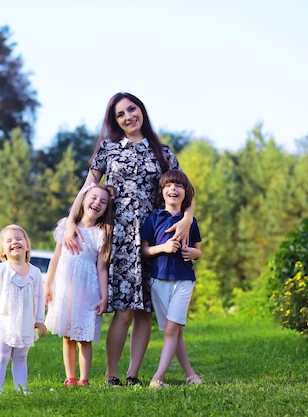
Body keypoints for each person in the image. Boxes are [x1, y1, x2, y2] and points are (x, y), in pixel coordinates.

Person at [63, 92, 195, 387]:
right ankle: (112, 374)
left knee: (144, 310)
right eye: (120, 114)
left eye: (131, 110)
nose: (128, 117)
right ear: (115, 121)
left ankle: (133, 374)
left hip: (155, 238)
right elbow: (88, 187)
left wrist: (186, 219)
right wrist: (71, 221)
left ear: (142, 111)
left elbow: (186, 188)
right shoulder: (107, 150)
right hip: (119, 238)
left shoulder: (163, 152)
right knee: (123, 310)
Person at [44, 183, 114, 387]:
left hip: (87, 290)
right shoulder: (67, 226)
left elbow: (102, 268)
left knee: (84, 337)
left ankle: (84, 378)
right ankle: (71, 377)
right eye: (93, 197)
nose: (97, 203)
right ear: (83, 200)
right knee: (67, 336)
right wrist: (48, 285)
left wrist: (104, 296)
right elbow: (56, 258)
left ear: (106, 209)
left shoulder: (102, 233)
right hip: (66, 288)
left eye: (102, 201)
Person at [141, 169, 203, 388]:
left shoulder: (190, 221)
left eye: (178, 186)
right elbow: (145, 251)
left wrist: (192, 254)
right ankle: (191, 375)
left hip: (184, 280)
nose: (173, 189)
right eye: (168, 185)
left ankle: (157, 378)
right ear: (162, 191)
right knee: (175, 331)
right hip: (158, 280)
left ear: (186, 193)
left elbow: (198, 250)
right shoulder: (153, 218)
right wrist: (163, 248)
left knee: (170, 330)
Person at [0, 224, 48, 395]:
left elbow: (40, 298)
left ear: (27, 244)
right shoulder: (0, 270)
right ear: (2, 249)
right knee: (2, 356)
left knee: (21, 357)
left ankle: (21, 389)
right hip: (3, 322)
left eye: (18, 239)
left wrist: (39, 320)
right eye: (8, 241)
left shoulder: (35, 273)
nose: (14, 242)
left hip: (25, 322)